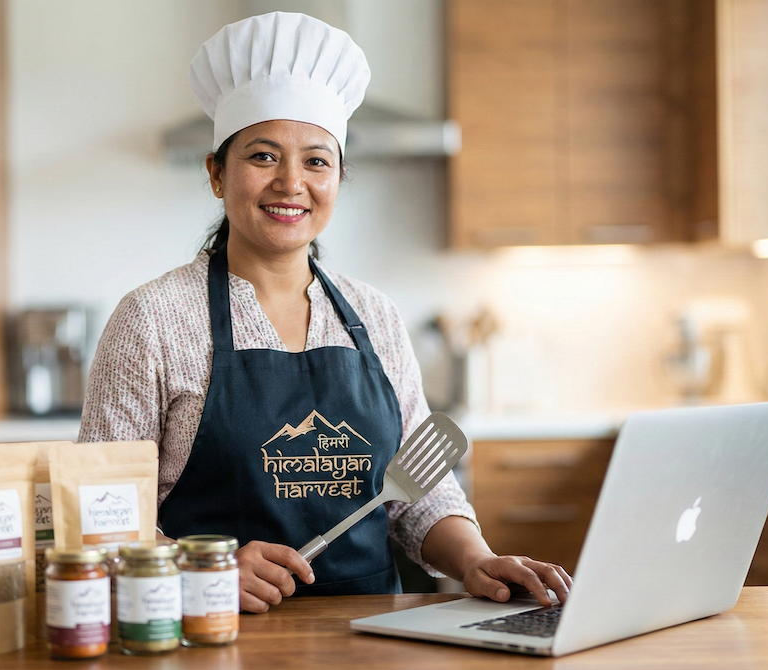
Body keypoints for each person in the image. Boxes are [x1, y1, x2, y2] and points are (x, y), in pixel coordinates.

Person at [79, 11, 572, 613]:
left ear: (339, 177)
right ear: (216, 172)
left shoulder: (375, 314)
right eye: (263, 156)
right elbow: (97, 508)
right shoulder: (152, 319)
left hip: (372, 642)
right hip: (210, 638)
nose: (292, 183)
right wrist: (195, 569)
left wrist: (475, 559)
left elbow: (417, 495)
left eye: (316, 161)